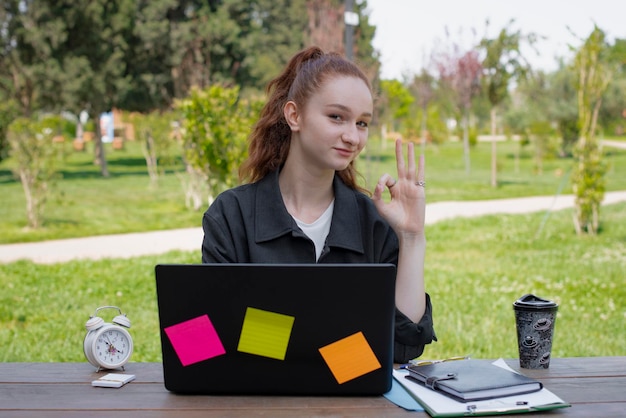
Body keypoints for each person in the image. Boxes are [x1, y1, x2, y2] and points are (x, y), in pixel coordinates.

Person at [202, 46, 436, 363]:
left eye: (362, 123)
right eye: (336, 117)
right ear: (294, 115)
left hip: (355, 406)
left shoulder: (374, 221)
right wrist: (339, 339)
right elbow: (208, 339)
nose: (352, 137)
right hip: (259, 404)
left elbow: (404, 346)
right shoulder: (231, 215)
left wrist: (411, 236)